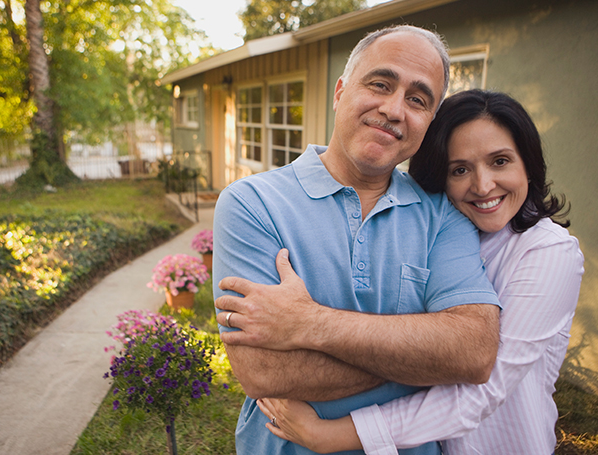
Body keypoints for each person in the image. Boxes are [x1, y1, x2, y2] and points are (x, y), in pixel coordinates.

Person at [212, 25, 502, 455]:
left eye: (417, 99)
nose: (394, 109)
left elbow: (473, 353)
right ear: (340, 92)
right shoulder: (252, 203)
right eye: (380, 84)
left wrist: (308, 323)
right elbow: (264, 371)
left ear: (428, 123)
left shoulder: (443, 215)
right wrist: (425, 358)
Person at [253, 90, 584, 454]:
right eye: (460, 169)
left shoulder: (548, 250)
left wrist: (331, 434)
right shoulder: (441, 228)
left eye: (500, 161)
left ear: (528, 163)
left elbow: (483, 385)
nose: (483, 185)